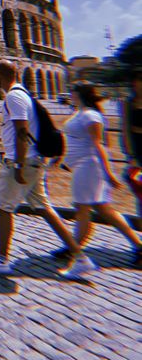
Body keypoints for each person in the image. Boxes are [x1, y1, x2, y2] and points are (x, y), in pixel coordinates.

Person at [0, 62, 87, 275]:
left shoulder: (13, 97)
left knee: (3, 207)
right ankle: (80, 256)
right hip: (34, 160)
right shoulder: (24, 93)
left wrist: (17, 164)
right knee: (44, 207)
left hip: (23, 161)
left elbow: (22, 131)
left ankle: (1, 260)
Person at [55, 82, 142, 275]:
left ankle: (76, 251)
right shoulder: (82, 112)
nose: (70, 95)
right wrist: (66, 160)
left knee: (84, 210)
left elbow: (100, 145)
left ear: (80, 94)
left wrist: (108, 173)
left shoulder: (91, 115)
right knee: (102, 209)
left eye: (73, 92)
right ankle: (137, 245)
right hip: (83, 166)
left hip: (90, 167)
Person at [121, 72, 142, 217]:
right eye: (135, 81)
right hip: (138, 151)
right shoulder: (128, 103)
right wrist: (130, 155)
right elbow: (126, 129)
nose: (137, 85)